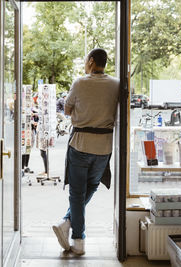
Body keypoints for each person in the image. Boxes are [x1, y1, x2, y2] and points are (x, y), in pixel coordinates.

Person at [52, 48, 120, 255]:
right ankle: (67, 223)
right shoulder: (116, 84)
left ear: (91, 61)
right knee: (91, 187)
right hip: (104, 147)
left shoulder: (80, 82)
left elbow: (67, 109)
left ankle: (77, 238)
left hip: (80, 144)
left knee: (77, 193)